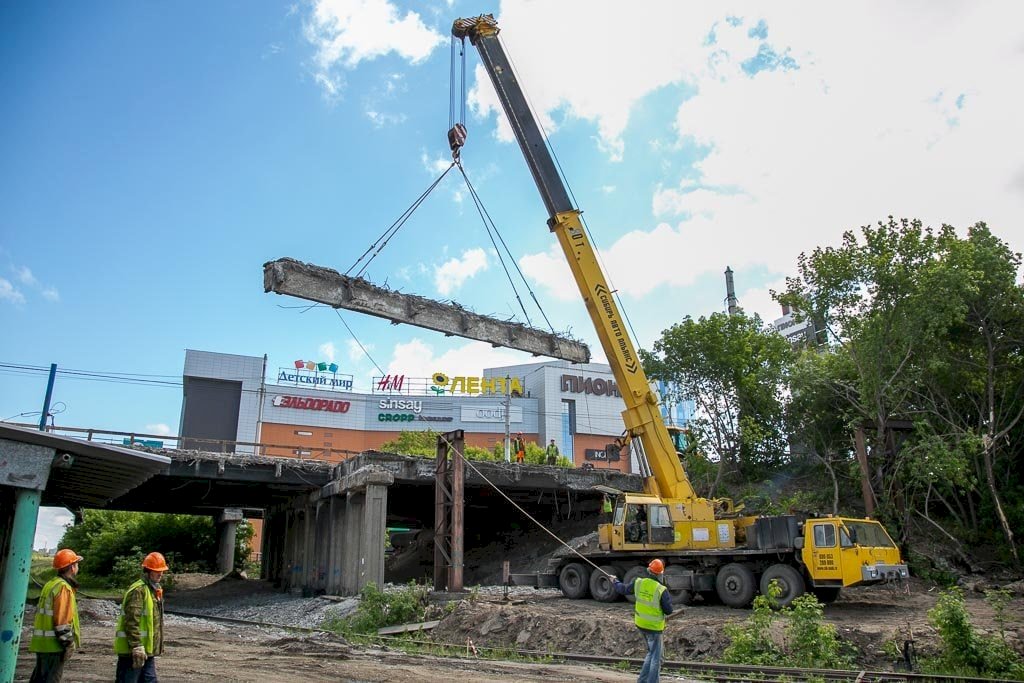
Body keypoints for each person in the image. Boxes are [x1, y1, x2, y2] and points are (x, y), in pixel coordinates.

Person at [613, 559, 674, 683]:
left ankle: (642, 680)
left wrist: (614, 581)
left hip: (641, 624)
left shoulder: (638, 582)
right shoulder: (661, 589)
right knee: (656, 658)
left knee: (651, 653)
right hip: (654, 628)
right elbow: (669, 610)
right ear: (660, 573)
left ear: (649, 571)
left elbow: (623, 589)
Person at [29, 549, 83, 683]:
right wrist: (68, 643)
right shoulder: (63, 588)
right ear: (72, 567)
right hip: (54, 646)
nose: (78, 567)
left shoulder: (50, 584)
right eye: (76, 563)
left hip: (43, 644)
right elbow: (62, 621)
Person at [114, 552, 168, 682]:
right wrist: (136, 645)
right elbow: (131, 620)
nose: (160, 573)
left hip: (146, 652)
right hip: (133, 651)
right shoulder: (139, 590)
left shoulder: (153, 590)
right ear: (148, 571)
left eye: (161, 570)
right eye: (156, 571)